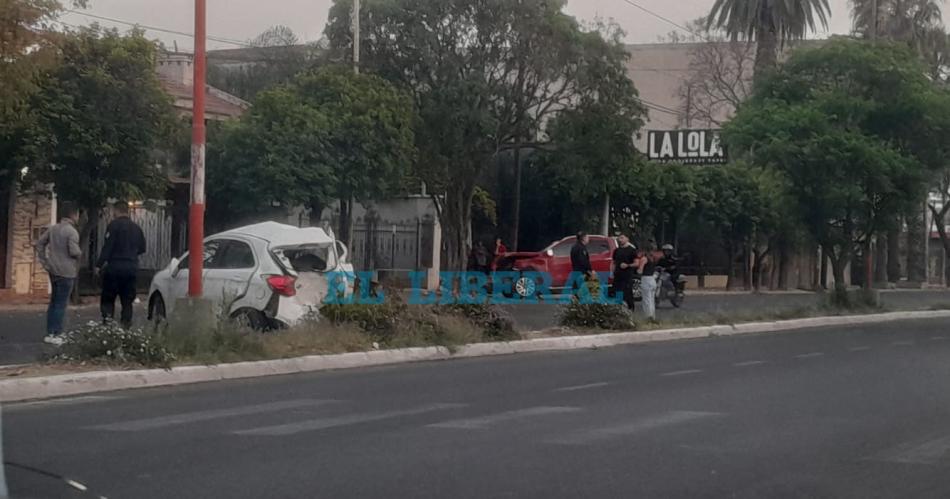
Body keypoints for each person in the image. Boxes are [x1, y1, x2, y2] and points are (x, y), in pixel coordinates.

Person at [35, 204, 82, 345]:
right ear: (73, 215)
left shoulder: (53, 229)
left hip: (53, 270)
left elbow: (40, 244)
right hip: (67, 271)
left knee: (54, 302)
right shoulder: (72, 232)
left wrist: (45, 262)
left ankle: (50, 332)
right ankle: (57, 333)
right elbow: (74, 251)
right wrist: (80, 253)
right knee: (61, 304)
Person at [96, 201, 146, 329]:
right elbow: (142, 248)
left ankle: (108, 325)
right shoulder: (137, 228)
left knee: (108, 298)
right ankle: (126, 327)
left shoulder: (113, 226)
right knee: (127, 300)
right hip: (131, 268)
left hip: (114, 268)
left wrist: (98, 265)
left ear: (116, 211)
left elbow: (107, 247)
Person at [611, 234, 638, 311]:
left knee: (627, 293)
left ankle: (630, 309)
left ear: (627, 239)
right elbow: (613, 262)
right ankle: (618, 310)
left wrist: (628, 265)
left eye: (622, 238)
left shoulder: (632, 250)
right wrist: (612, 272)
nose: (620, 240)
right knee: (617, 293)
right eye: (619, 238)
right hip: (617, 276)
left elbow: (636, 263)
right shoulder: (616, 250)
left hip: (627, 276)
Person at [638, 244, 658, 321]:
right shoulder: (653, 259)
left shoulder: (644, 259)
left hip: (646, 279)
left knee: (646, 299)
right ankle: (653, 316)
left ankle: (648, 316)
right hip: (652, 279)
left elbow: (640, 270)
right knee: (652, 299)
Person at [570, 231, 593, 297]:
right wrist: (589, 270)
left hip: (576, 271)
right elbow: (583, 261)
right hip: (582, 272)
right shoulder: (581, 248)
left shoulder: (575, 246)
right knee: (583, 290)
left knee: (576, 289)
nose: (588, 239)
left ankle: (575, 301)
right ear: (583, 238)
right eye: (587, 237)